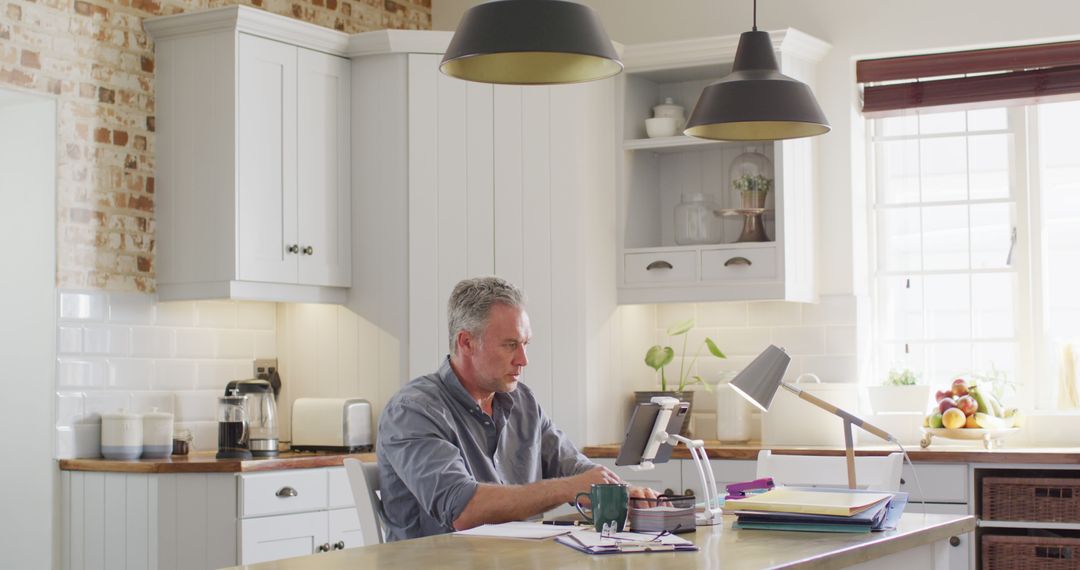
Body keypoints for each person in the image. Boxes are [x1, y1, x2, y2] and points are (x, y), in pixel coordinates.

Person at [377, 276, 657, 541]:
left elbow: (573, 468)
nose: (523, 360)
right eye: (510, 345)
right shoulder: (413, 411)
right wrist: (570, 488)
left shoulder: (522, 402)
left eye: (525, 344)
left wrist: (621, 492)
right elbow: (463, 510)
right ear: (466, 342)